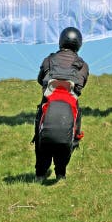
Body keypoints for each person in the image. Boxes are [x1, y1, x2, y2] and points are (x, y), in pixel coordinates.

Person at [33, 27, 90, 182]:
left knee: (40, 133)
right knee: (74, 119)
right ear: (79, 44)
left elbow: (40, 80)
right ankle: (61, 174)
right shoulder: (82, 65)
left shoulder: (48, 60)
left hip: (49, 104)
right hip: (69, 108)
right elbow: (81, 85)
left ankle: (40, 174)